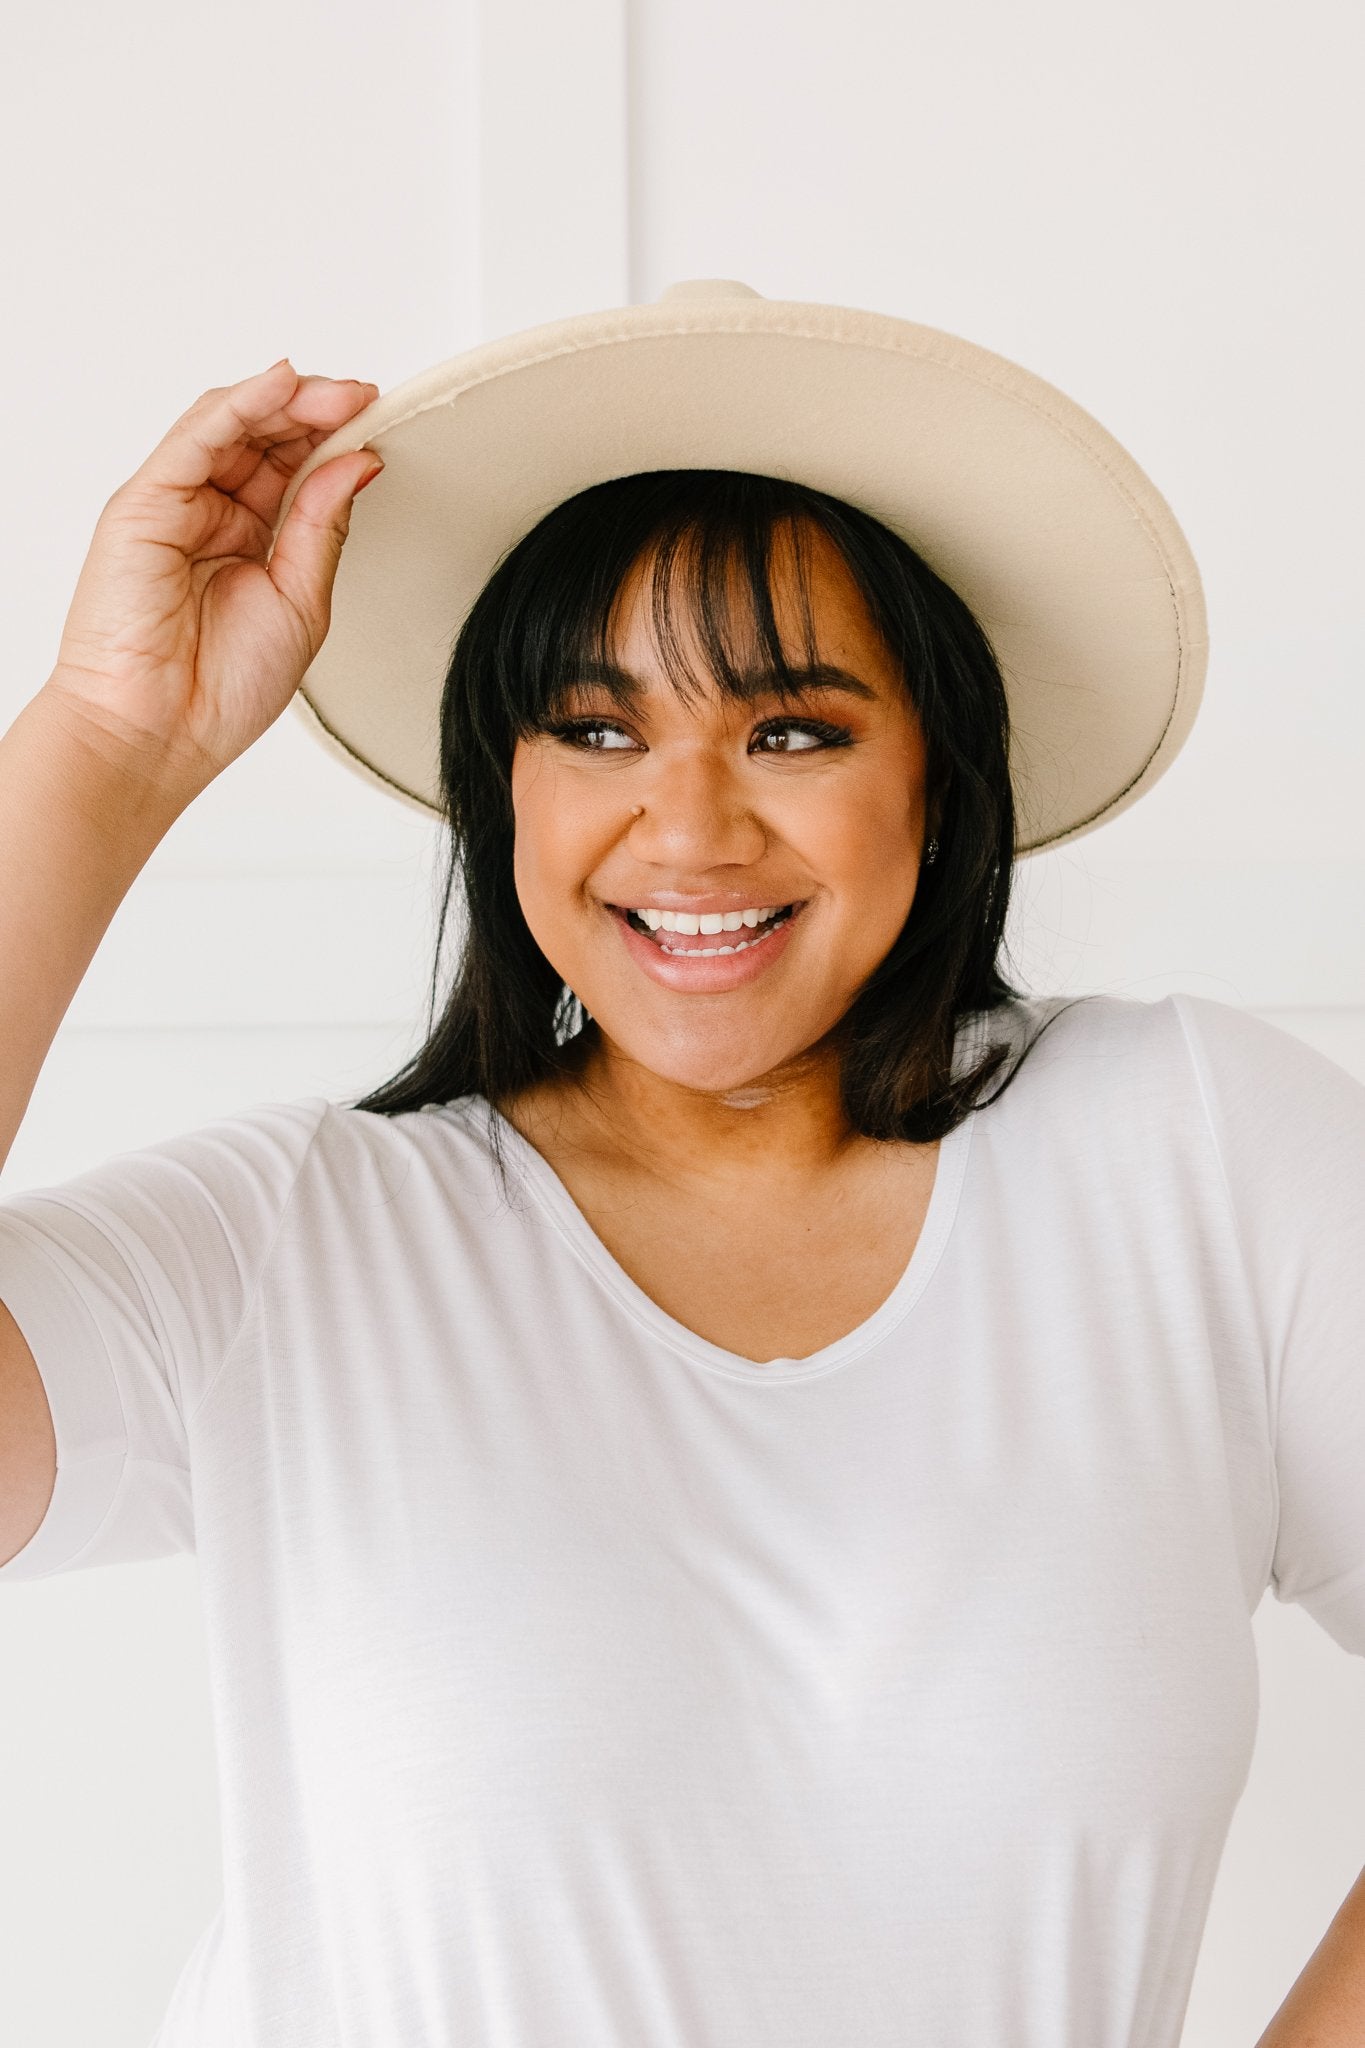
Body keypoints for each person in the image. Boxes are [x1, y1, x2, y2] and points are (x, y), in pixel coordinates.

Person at [1, 346, 1363, 2048]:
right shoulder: (300, 1239)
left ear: (939, 777)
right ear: (506, 790)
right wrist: (112, 738)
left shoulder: (1197, 1157)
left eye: (791, 729)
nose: (688, 827)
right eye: (594, 728)